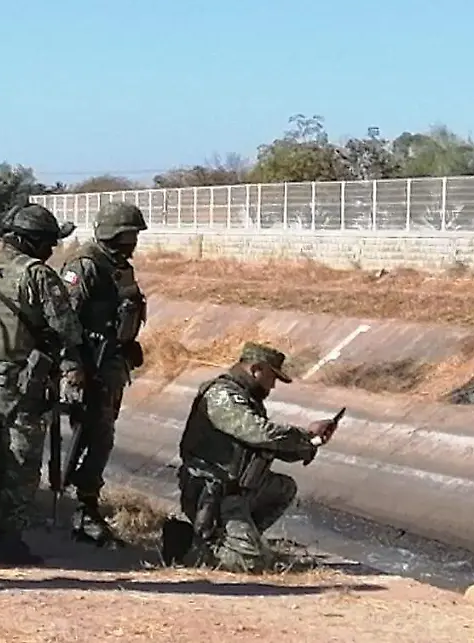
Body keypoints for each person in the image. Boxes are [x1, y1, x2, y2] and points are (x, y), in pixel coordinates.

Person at [0, 203, 84, 566]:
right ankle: (9, 541)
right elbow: (68, 329)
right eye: (49, 242)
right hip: (24, 381)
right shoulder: (38, 275)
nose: (52, 249)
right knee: (21, 463)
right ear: (30, 241)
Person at [174, 342, 338, 573]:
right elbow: (259, 433)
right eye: (272, 377)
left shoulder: (247, 398)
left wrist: (311, 442)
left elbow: (268, 446)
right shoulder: (222, 394)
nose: (272, 385)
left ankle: (241, 539)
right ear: (256, 369)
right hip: (212, 492)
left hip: (237, 490)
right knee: (252, 565)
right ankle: (193, 546)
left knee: (283, 488)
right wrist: (304, 435)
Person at [57, 201, 148, 546]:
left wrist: (128, 344)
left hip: (111, 365)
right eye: (129, 235)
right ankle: (83, 509)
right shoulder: (85, 265)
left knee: (101, 437)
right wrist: (73, 366)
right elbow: (64, 319)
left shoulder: (119, 267)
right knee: (95, 437)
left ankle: (85, 505)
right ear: (113, 234)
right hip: (88, 366)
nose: (133, 242)